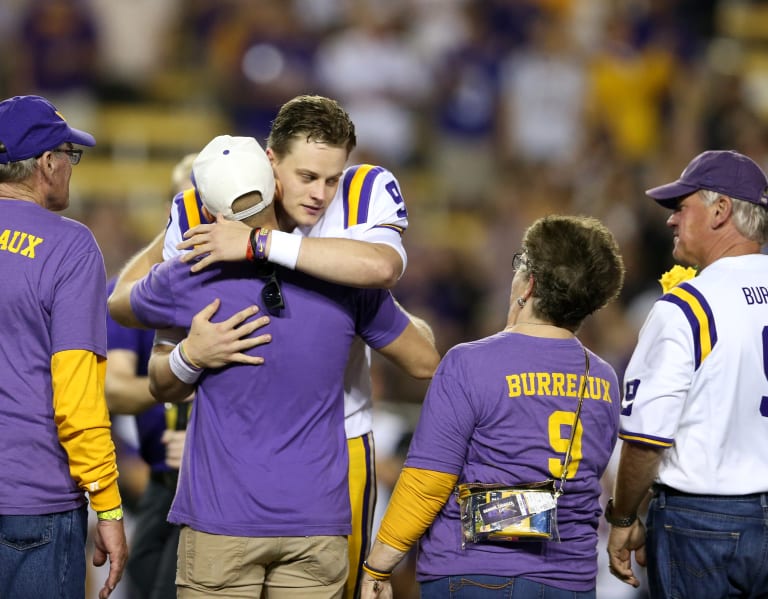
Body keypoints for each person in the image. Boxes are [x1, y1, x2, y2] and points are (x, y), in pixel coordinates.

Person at [108, 135, 439, 598]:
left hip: (221, 517)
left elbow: (122, 308)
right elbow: (425, 361)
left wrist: (190, 354)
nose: (319, 192)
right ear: (275, 179)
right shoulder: (344, 276)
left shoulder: (189, 274)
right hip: (316, 518)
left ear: (210, 208)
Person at [360, 215, 626, 599]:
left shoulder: (469, 362)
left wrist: (378, 565)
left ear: (528, 284)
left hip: (476, 573)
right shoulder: (604, 378)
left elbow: (427, 483)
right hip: (571, 578)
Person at [606, 150, 768, 597]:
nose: (671, 221)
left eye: (681, 207)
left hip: (703, 523)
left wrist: (622, 517)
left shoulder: (687, 306)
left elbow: (646, 439)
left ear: (721, 211)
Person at [0, 94, 127, 599]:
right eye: (70, 156)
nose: (71, 169)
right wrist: (110, 508)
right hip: (36, 502)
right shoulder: (69, 247)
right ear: (48, 164)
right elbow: (77, 402)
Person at [103, 152, 197, 599]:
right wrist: (172, 385)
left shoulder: (257, 285)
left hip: (222, 487)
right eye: (181, 202)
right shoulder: (139, 293)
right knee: (141, 582)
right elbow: (114, 390)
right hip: (162, 480)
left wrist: (206, 434)